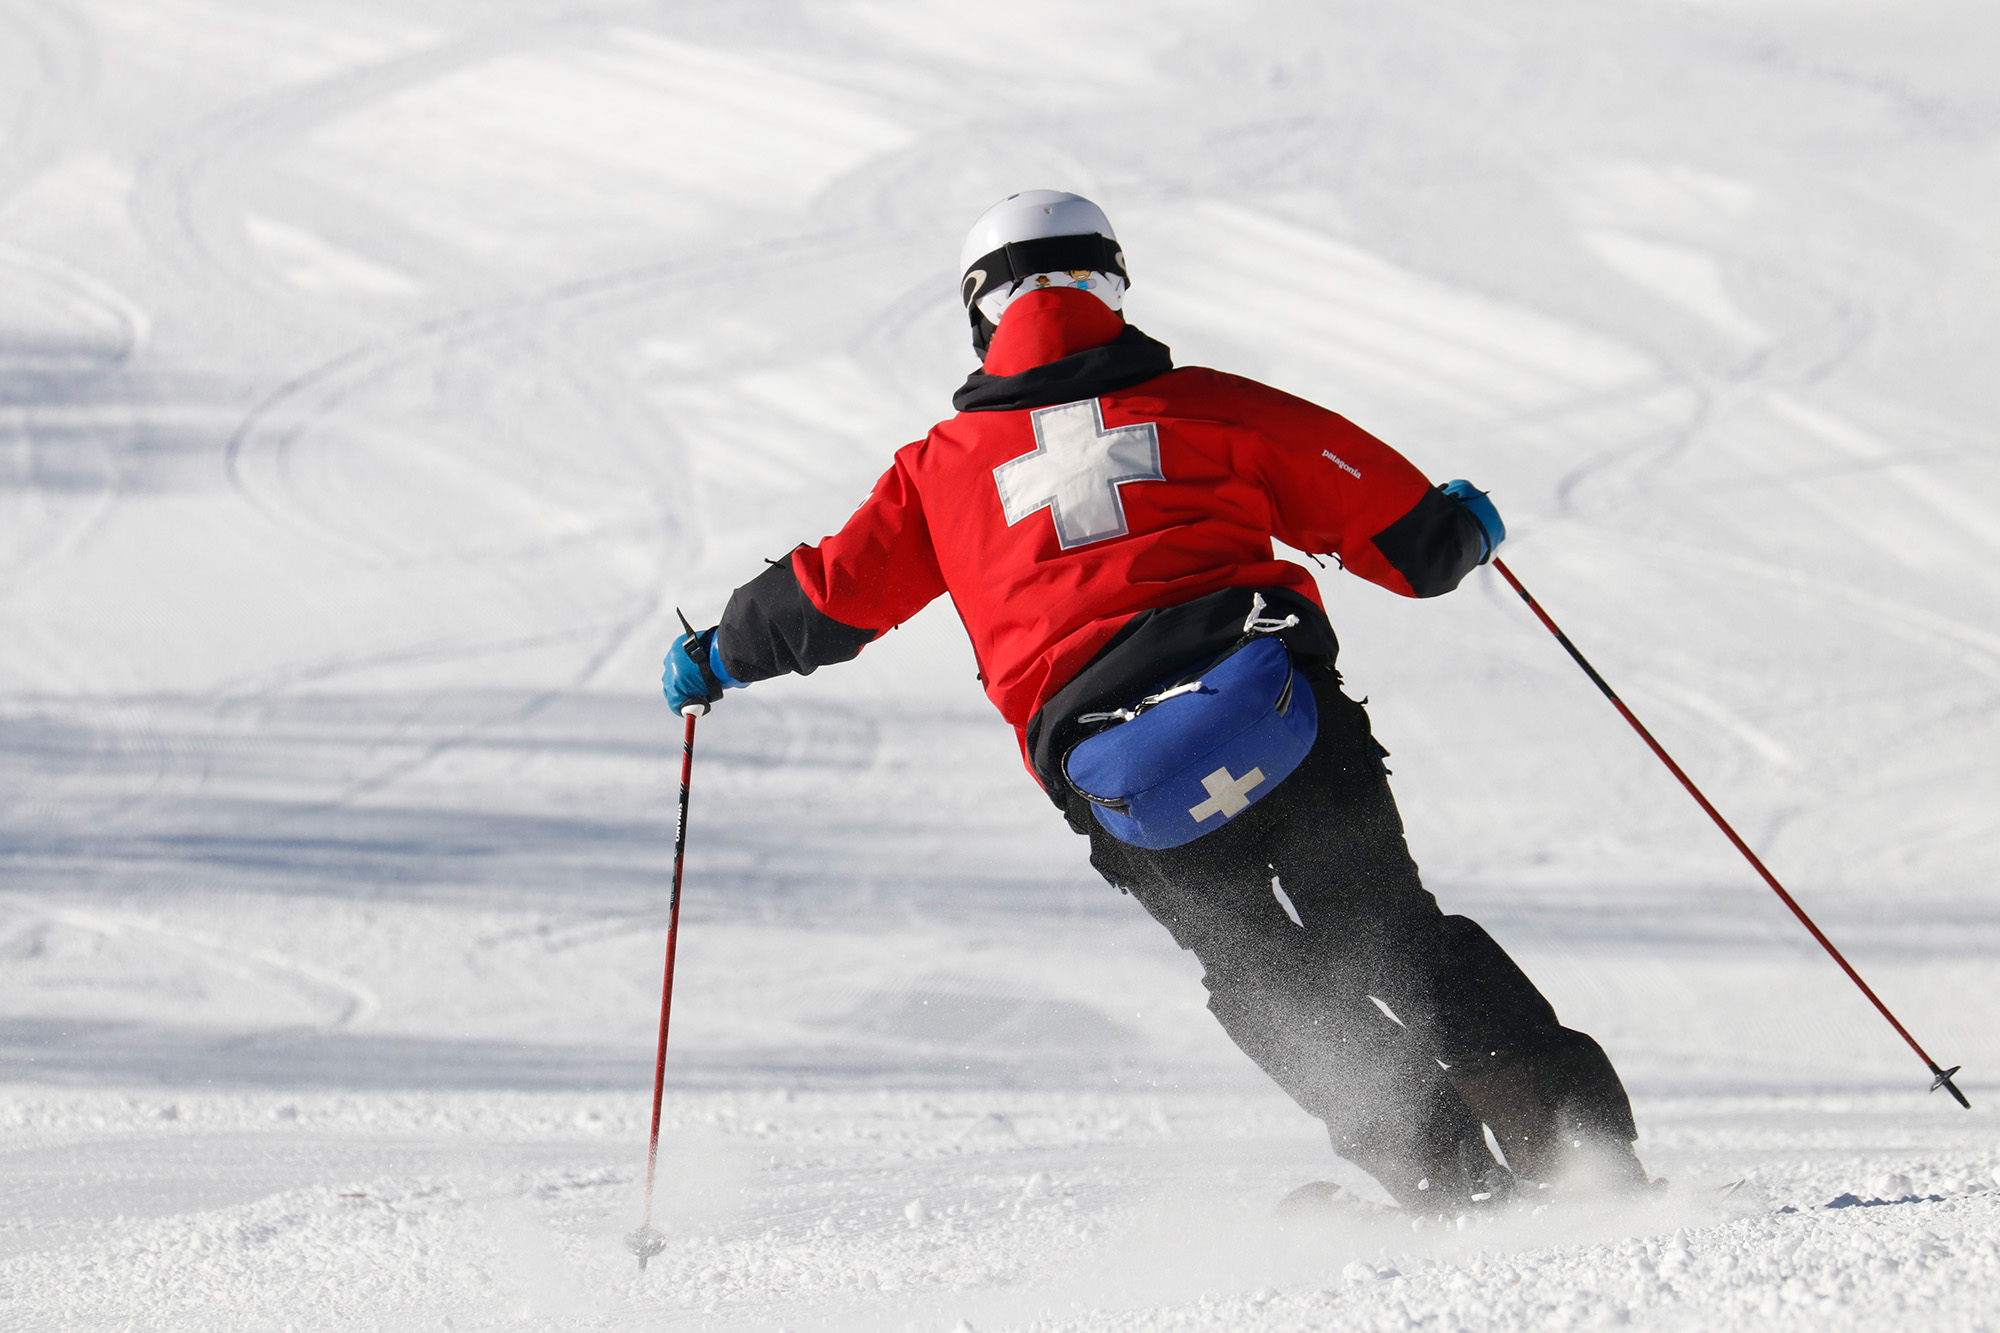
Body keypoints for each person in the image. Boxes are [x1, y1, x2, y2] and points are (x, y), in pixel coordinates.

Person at [663, 190, 1650, 1216]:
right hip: (1281, 720)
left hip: (1125, 783)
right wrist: (1458, 526)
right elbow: (1416, 549)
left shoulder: (937, 472)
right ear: (1112, 286)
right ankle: (1578, 1158)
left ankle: (1449, 1186)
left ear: (979, 311)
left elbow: (826, 599)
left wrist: (714, 655)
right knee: (1395, 937)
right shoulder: (1208, 405)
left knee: (1269, 981)